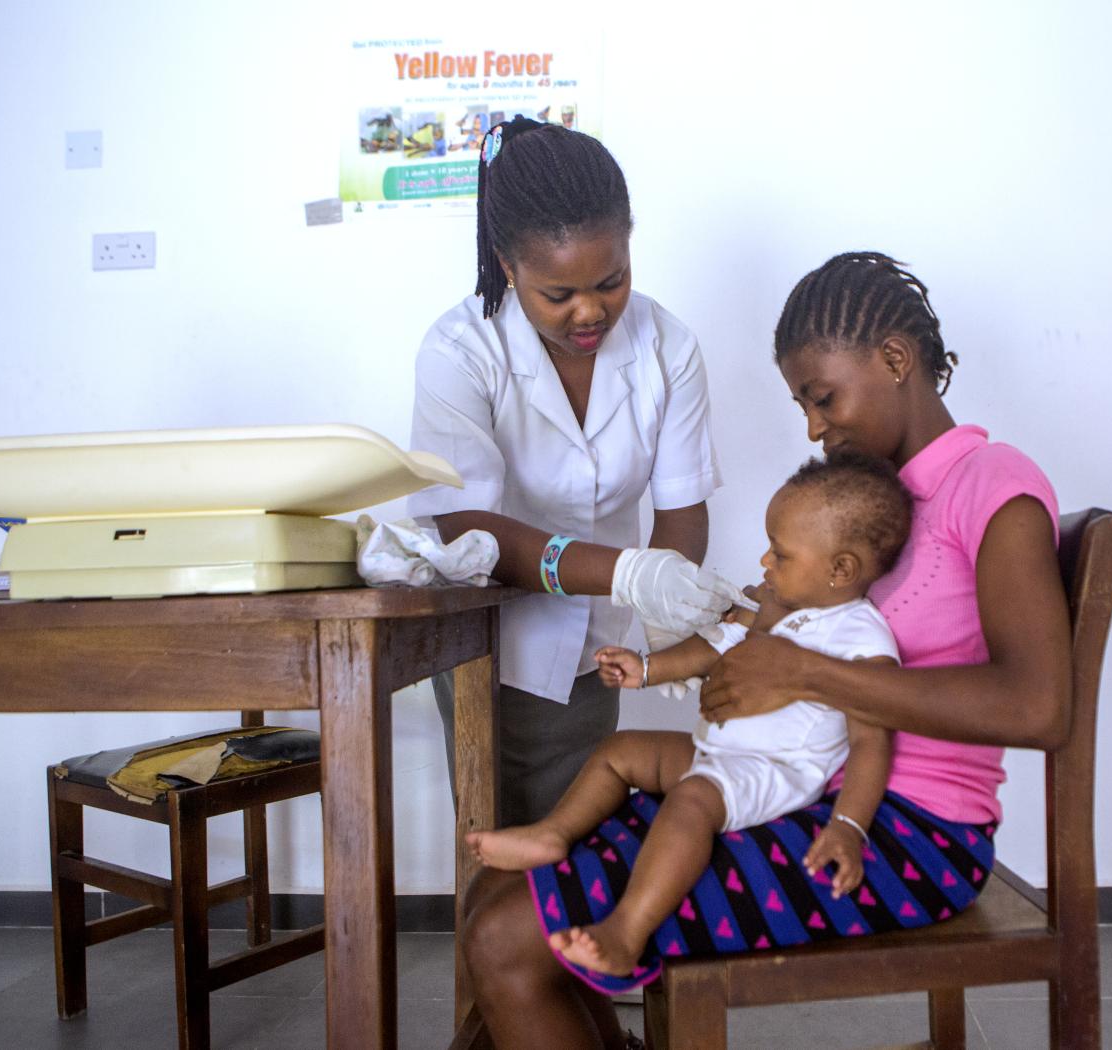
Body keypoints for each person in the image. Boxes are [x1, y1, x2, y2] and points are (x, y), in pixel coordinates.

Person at [458, 251, 1073, 1050]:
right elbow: (793, 642)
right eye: (804, 407)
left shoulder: (993, 484)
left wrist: (802, 671)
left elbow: (1040, 706)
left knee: (507, 939)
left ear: (895, 359)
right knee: (498, 894)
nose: (815, 428)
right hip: (801, 787)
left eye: (822, 398)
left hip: (902, 834)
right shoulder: (861, 511)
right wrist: (743, 645)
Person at [406, 116, 745, 828]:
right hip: (485, 642)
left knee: (582, 850)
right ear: (508, 265)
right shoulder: (460, 350)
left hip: (601, 646)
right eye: (557, 296)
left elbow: (681, 506)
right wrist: (628, 571)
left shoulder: (667, 347)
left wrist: (670, 599)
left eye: (611, 281)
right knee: (496, 848)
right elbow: (466, 524)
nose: (590, 310)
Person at [465, 452, 911, 990]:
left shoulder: (861, 639)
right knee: (623, 750)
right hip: (720, 755)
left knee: (692, 801)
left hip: (772, 773)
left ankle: (626, 935)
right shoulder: (776, 604)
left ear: (841, 570)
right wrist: (646, 669)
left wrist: (847, 826)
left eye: (782, 553)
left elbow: (871, 744)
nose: (766, 560)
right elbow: (713, 645)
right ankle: (553, 835)